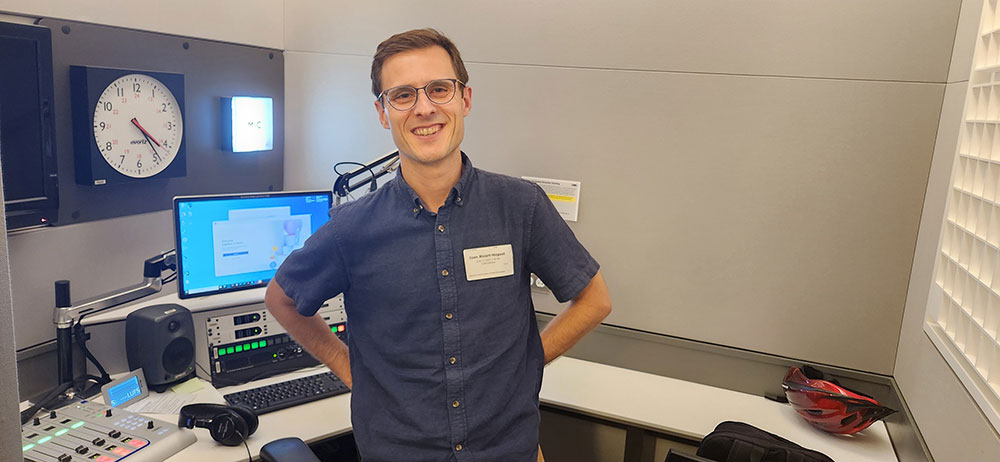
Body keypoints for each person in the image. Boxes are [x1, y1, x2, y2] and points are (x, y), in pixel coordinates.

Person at [265, 28, 612, 462]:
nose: (424, 107)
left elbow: (594, 300)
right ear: (382, 112)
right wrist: (342, 362)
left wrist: (527, 362)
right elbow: (281, 299)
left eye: (439, 89)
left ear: (464, 99)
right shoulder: (351, 228)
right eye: (403, 95)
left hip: (507, 451)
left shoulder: (519, 206)